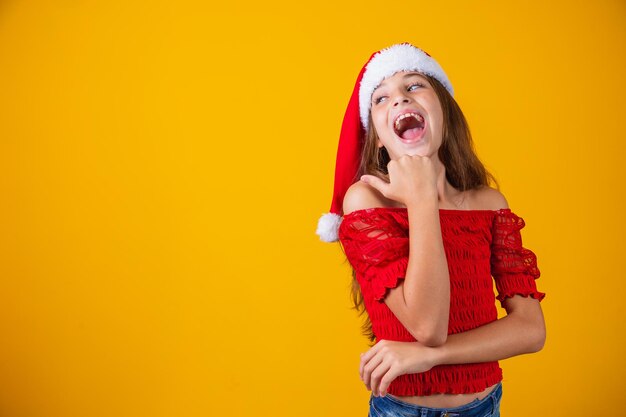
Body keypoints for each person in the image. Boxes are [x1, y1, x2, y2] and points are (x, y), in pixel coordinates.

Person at [316, 43, 546, 417]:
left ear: (445, 111)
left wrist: (425, 357)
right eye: (381, 98)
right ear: (376, 137)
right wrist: (421, 197)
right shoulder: (365, 201)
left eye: (414, 85)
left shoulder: (488, 204)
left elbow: (531, 330)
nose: (400, 99)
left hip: (485, 405)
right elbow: (428, 326)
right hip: (403, 410)